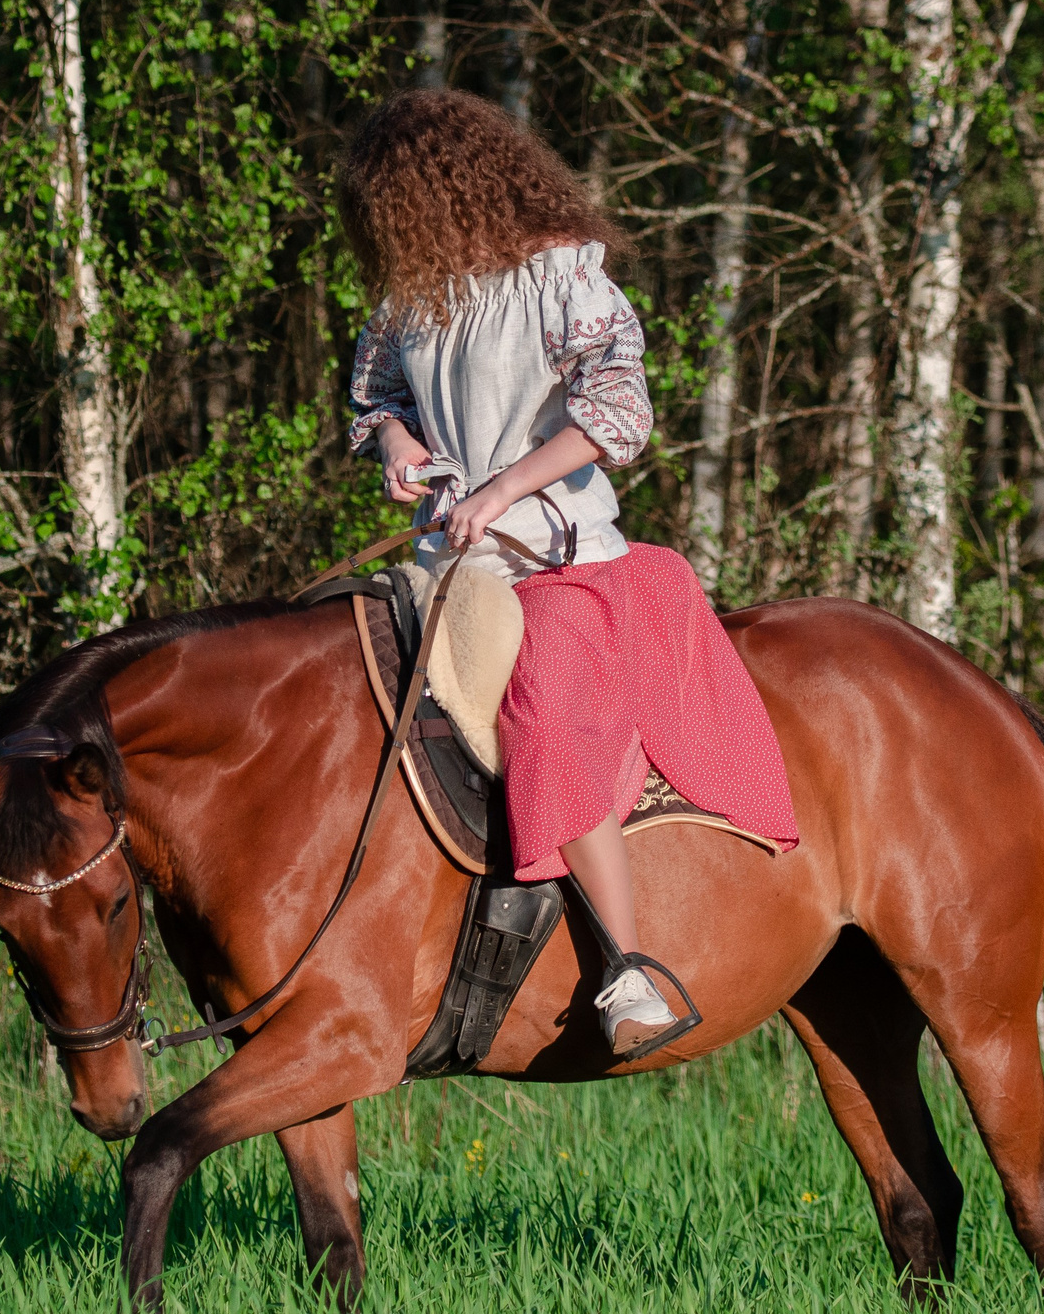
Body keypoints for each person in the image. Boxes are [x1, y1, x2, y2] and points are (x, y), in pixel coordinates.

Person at [339, 88, 800, 1057]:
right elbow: (376, 396)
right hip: (449, 561)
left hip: (559, 563)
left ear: (444, 190)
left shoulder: (562, 277)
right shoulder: (409, 301)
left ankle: (631, 969)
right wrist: (395, 446)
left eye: (395, 207)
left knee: (542, 712)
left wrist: (504, 488)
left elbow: (620, 415)